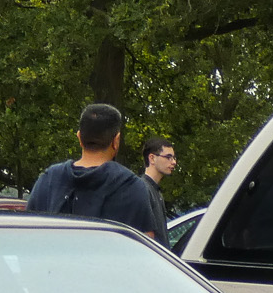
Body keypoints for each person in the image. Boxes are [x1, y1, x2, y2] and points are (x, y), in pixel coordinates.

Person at [26, 103, 163, 238]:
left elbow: (27, 233)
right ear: (116, 141)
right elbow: (145, 243)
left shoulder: (48, 179)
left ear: (79, 137)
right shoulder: (130, 186)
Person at [140, 135, 177, 245]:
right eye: (168, 157)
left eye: (174, 158)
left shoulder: (155, 190)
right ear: (152, 158)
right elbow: (146, 237)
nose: (174, 162)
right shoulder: (142, 189)